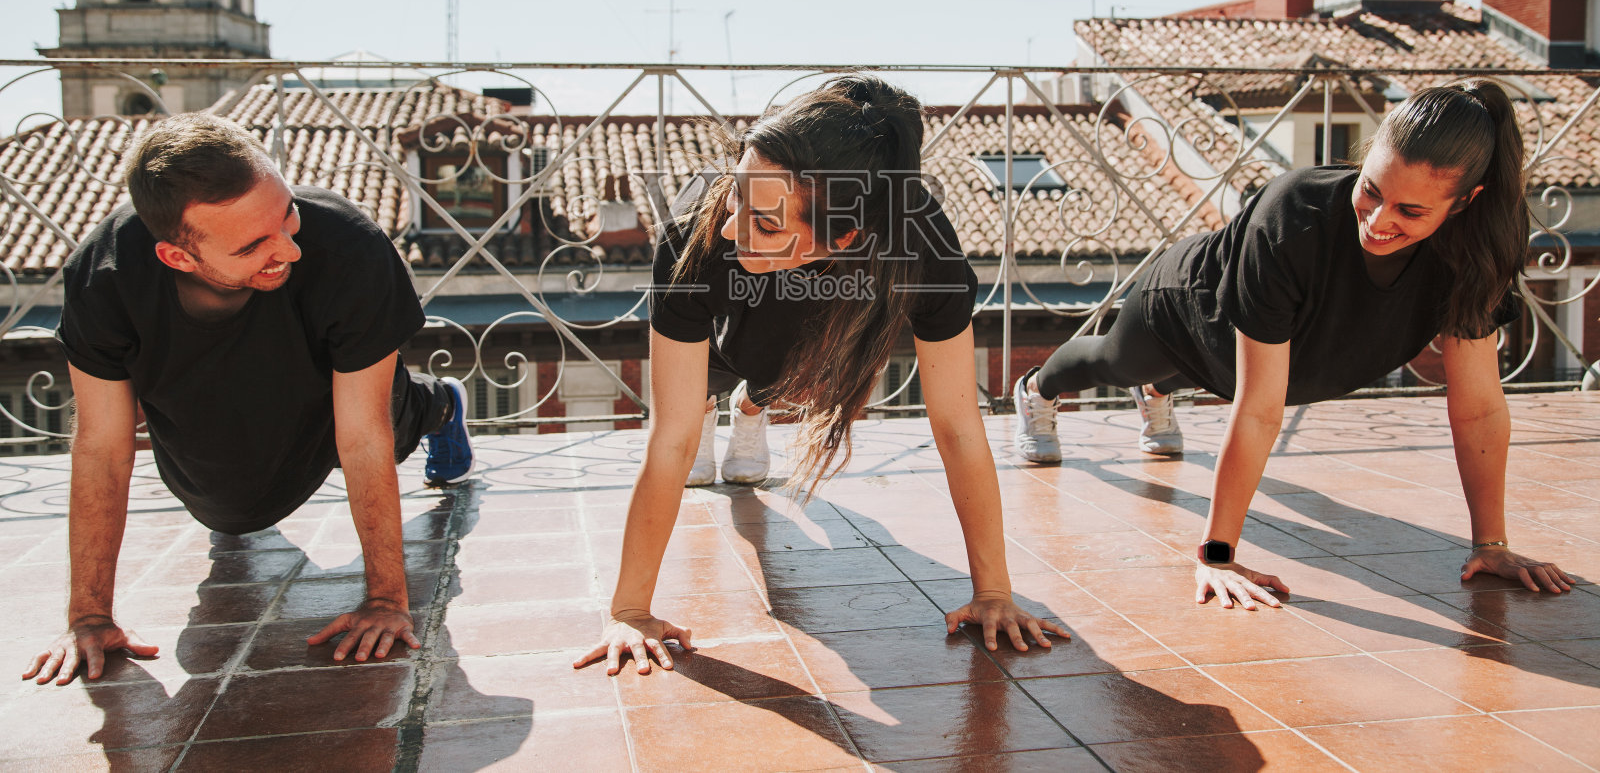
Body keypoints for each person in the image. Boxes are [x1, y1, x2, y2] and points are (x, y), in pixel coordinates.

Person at [1012, 79, 1575, 607]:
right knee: (1115, 362)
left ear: (1466, 202)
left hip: (1271, 356)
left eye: (1410, 211)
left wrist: (1491, 545)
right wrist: (1217, 556)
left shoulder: (1475, 256)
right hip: (1189, 309)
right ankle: (1037, 390)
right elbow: (1259, 410)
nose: (1378, 221)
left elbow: (1476, 408)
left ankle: (1160, 392)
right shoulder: (1294, 215)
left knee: (1214, 377)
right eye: (1371, 190)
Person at [575, 74, 1068, 674]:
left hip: (823, 330)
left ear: (847, 235)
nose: (733, 227)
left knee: (788, 381)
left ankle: (750, 409)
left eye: (765, 222)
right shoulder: (699, 237)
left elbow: (959, 426)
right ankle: (723, 403)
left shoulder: (925, 252)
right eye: (736, 194)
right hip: (733, 330)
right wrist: (629, 608)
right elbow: (668, 436)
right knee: (703, 392)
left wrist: (993, 593)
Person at [23, 114, 476, 686]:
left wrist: (387, 598)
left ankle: (440, 407)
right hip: (200, 389)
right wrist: (89, 616)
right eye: (254, 244)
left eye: (287, 215)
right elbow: (102, 447)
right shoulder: (105, 277)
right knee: (232, 513)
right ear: (177, 257)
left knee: (379, 416)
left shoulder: (346, 246)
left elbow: (362, 435)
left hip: (329, 380)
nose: (289, 249)